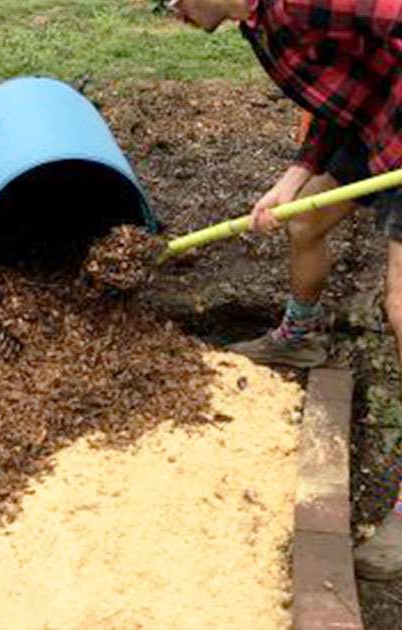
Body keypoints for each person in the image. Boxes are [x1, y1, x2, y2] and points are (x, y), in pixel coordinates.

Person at [167, 0, 402, 580]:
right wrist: (295, 176)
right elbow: (338, 88)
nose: (170, 12)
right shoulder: (257, 22)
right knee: (304, 220)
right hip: (377, 123)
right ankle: (300, 335)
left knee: (401, 304)